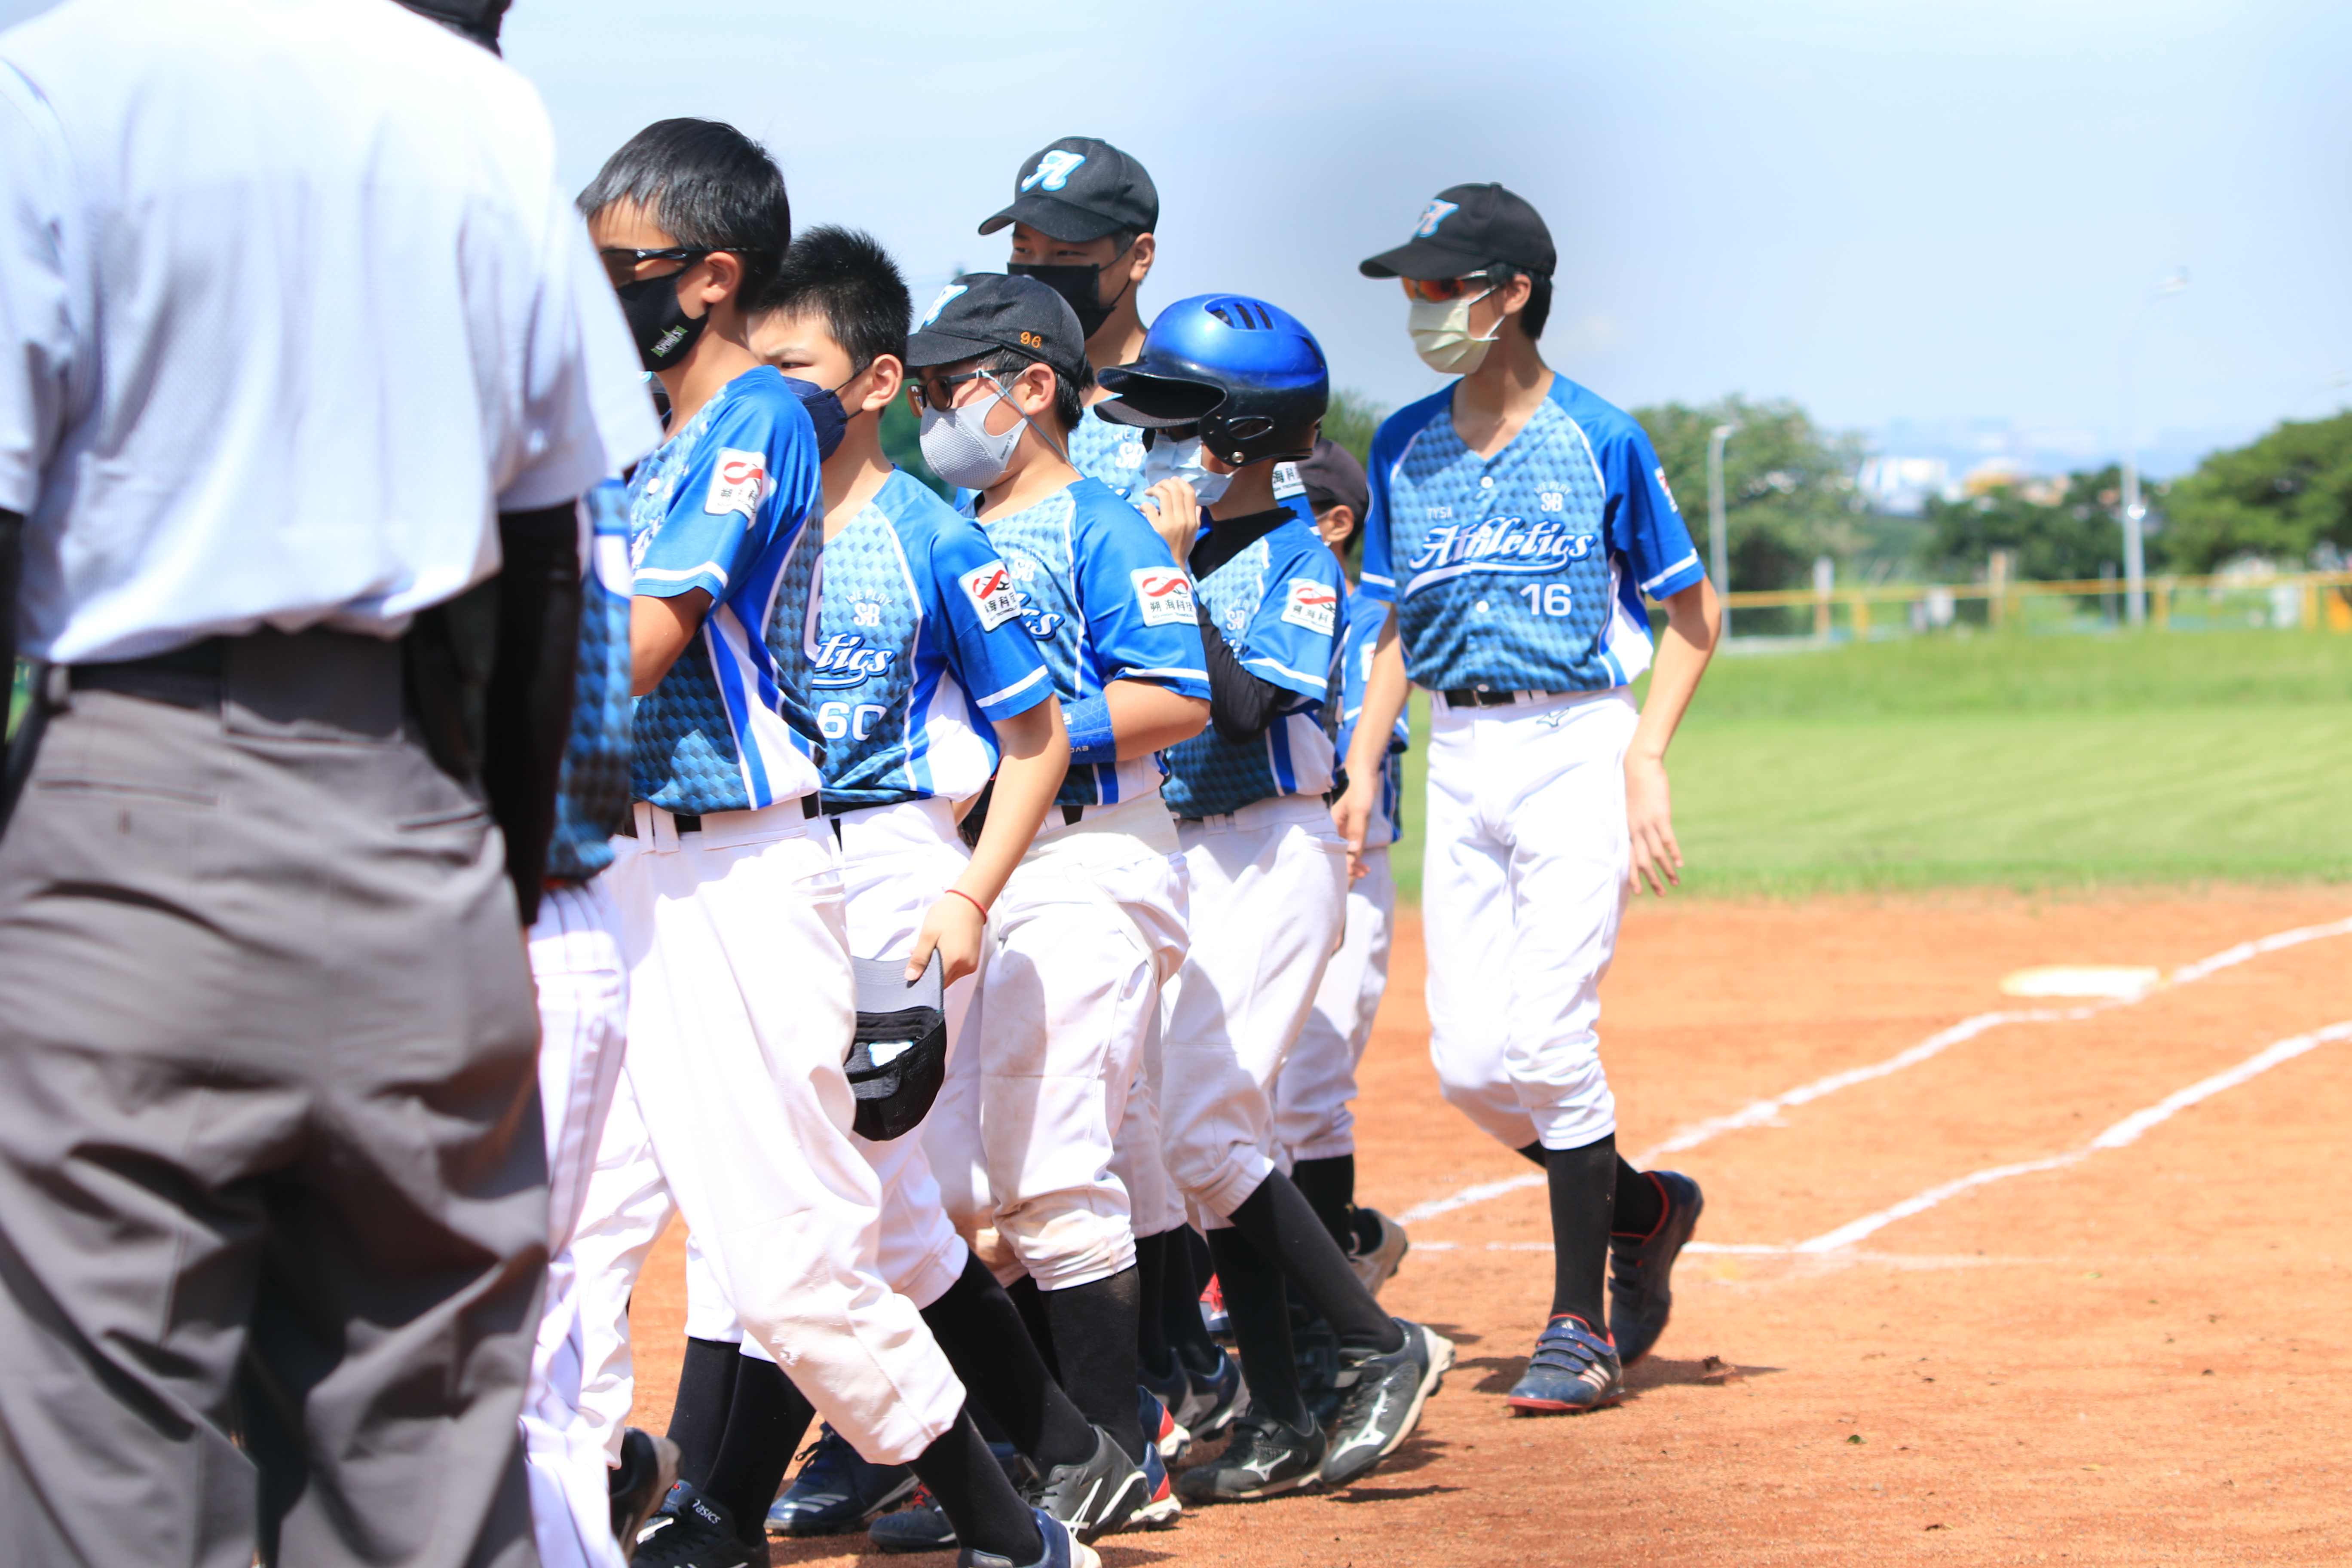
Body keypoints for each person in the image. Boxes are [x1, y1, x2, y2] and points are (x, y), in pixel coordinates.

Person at [0, 0, 658, 1562]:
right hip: (408, 811)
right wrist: (488, 887)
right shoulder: (474, 107)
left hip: (124, 796)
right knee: (423, 1445)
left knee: (106, 1442)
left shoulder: (51, 79)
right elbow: (548, 566)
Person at [576, 122, 1087, 1568]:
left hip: (744, 873)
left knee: (799, 1253)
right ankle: (593, 1488)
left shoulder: (756, 422)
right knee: (579, 1225)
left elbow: (646, 641)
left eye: (620, 265)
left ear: (707, 274)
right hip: (627, 868)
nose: (593, 289)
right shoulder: (648, 452)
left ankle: (1015, 1528)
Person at [686, 224, 1166, 1546]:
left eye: (796, 367)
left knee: (826, 1186)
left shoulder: (935, 539)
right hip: (770, 861)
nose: (768, 393)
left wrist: (968, 896)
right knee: (856, 1202)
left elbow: (1038, 739)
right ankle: (1057, 1453)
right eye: (755, 366)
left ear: (877, 380)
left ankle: (718, 1502)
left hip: (898, 864)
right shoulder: (737, 533)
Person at [1333, 182, 1715, 1418]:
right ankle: (1643, 1209)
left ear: (1514, 294)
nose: (1422, 305)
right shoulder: (1404, 444)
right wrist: (1362, 760)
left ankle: (1577, 1326)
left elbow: (1695, 615)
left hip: (1573, 743)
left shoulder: (1600, 435)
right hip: (1459, 749)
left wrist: (1647, 754)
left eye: (1445, 284)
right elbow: (1394, 625)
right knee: (1466, 1066)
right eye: (1415, 286)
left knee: (1548, 1041)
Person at [1094, 295, 1455, 1503]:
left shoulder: (1299, 554)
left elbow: (1249, 708)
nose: (1156, 442)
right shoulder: (1181, 544)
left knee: (1207, 1137)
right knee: (1206, 1148)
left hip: (1273, 849)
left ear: (1240, 435)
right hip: (1188, 854)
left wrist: (1166, 572)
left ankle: (1379, 1344)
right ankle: (1283, 1414)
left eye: (1178, 420)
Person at [882, 273, 1213, 1551]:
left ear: (1033, 387)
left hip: (1090, 858)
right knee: (963, 1183)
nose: (929, 410)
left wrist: (1018, 732)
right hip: (985, 868)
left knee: (1051, 1172)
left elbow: (1175, 693)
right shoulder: (949, 526)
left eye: (947, 386)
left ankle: (1116, 1457)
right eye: (918, 388)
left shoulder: (1100, 524)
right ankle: (1038, 1446)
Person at [522, 481, 680, 1568]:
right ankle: (607, 1470)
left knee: (554, 1255)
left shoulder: (577, 465)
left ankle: (593, 1479)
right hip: (561, 873)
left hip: (564, 874)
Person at [1272, 438, 1412, 1295]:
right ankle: (1345, 1242)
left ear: (1334, 524)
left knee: (1309, 1089)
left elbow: (1361, 751)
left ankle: (1327, 1304)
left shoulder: (1366, 624)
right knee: (1237, 1088)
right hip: (1259, 861)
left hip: (1350, 870)